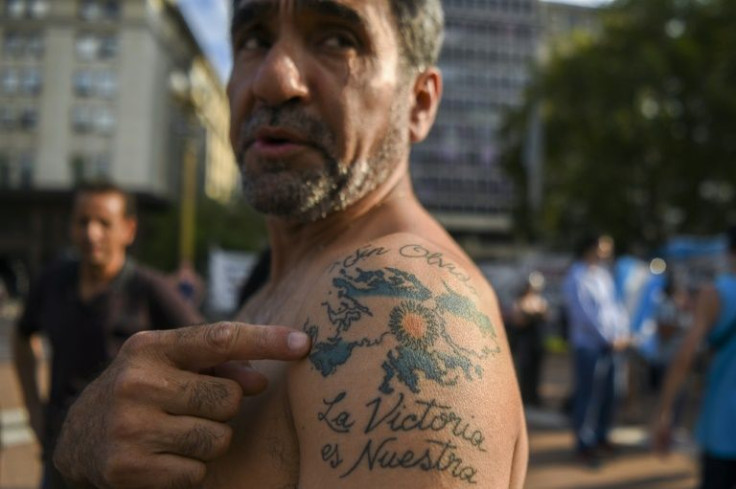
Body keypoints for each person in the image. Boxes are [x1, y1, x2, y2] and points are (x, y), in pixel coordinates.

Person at [52, 1, 529, 487]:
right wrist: (85, 437)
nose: (273, 81)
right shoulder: (275, 288)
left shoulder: (411, 295)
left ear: (420, 103)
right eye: (254, 40)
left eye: (338, 39)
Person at [12, 182, 203, 489]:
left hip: (122, 459)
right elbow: (22, 336)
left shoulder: (149, 289)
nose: (92, 233)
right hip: (60, 450)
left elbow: (202, 346)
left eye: (104, 223)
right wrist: (33, 408)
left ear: (128, 230)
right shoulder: (53, 279)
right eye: (83, 221)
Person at [653, 227, 736, 489]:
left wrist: (663, 412)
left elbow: (684, 357)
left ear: (728, 252)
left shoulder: (716, 293)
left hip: (724, 422)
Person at [562, 233, 630, 467]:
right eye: (603, 248)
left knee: (610, 394)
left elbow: (615, 307)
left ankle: (601, 436)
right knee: (588, 396)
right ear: (590, 248)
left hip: (611, 346)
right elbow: (583, 316)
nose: (606, 253)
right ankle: (584, 443)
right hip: (590, 347)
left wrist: (621, 333)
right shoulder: (576, 276)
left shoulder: (603, 276)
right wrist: (608, 338)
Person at [509, 271, 549, 406]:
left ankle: (534, 396)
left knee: (536, 370)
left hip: (536, 342)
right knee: (523, 369)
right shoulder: (520, 301)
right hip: (524, 342)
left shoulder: (540, 301)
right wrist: (530, 316)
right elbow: (517, 321)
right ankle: (523, 397)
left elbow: (546, 317)